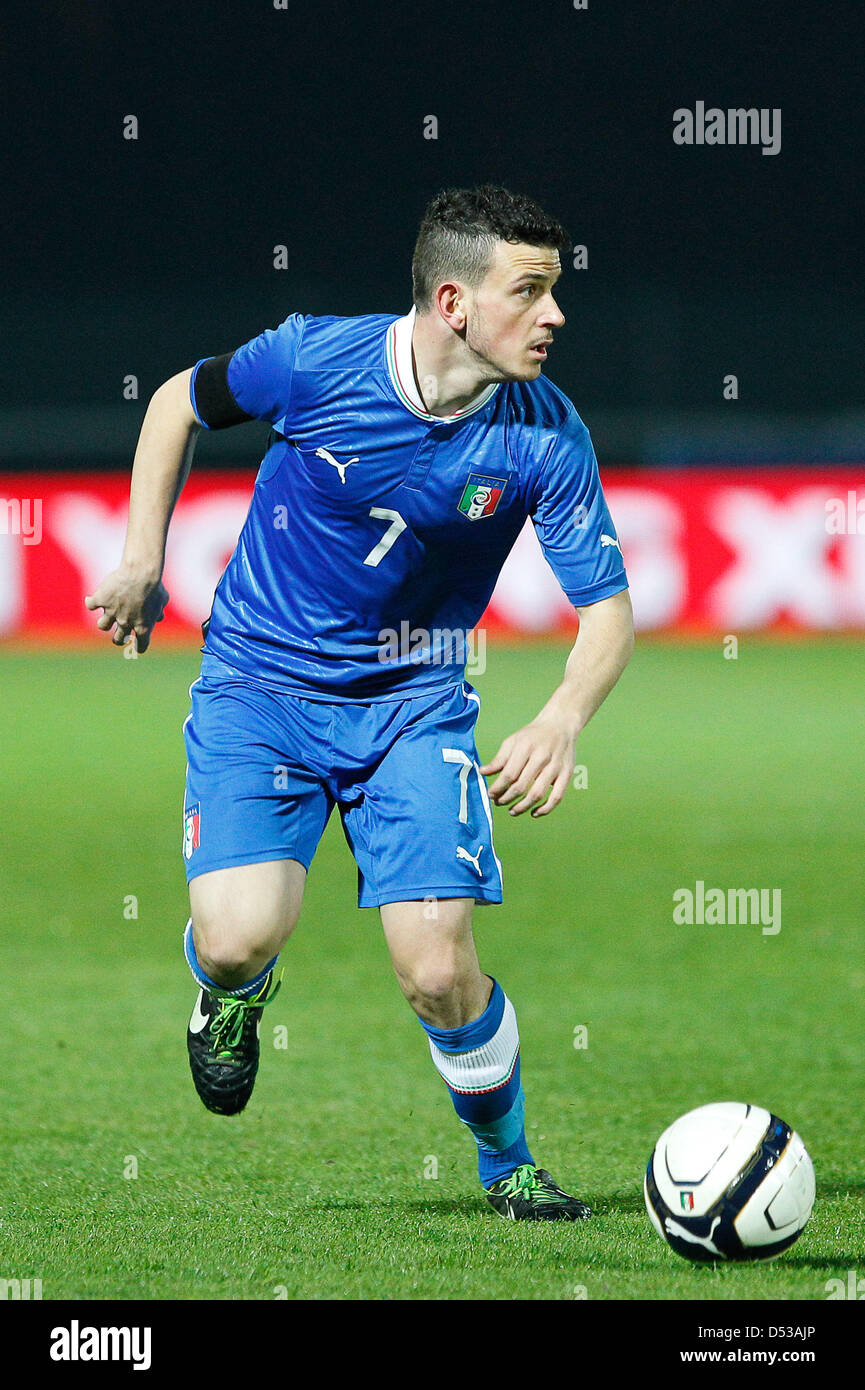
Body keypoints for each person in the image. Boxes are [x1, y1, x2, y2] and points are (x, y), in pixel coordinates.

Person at [86, 185, 634, 1221]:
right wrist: (140, 561)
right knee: (243, 934)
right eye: (532, 291)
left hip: (413, 705)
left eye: (555, 290)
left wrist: (560, 716)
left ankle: (506, 1162)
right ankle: (227, 998)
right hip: (262, 687)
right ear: (453, 301)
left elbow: (606, 611)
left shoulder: (545, 436)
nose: (556, 315)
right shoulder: (311, 360)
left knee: (435, 964)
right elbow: (175, 403)